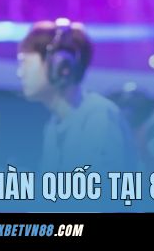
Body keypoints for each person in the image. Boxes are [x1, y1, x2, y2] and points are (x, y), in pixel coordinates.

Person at [16, 20, 137, 172]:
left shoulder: (98, 117)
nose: (20, 73)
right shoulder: (53, 127)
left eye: (25, 63)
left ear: (60, 66)